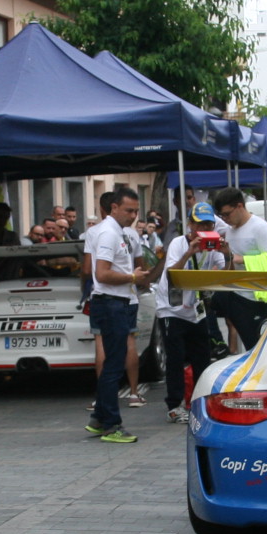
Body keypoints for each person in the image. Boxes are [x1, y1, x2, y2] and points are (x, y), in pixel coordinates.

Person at [85, 186, 152, 443]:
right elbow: (101, 273)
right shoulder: (108, 233)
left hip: (117, 301)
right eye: (128, 210)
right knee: (113, 366)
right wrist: (132, 277)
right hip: (111, 302)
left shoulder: (117, 232)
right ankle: (111, 425)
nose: (133, 216)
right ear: (113, 208)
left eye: (136, 211)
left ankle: (100, 418)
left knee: (113, 363)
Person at [156, 202, 227, 424]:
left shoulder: (213, 246)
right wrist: (189, 252)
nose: (204, 229)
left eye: (208, 224)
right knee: (175, 358)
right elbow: (171, 272)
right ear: (190, 225)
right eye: (199, 224)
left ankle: (199, 401)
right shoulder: (179, 243)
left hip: (197, 310)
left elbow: (225, 274)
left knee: (202, 356)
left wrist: (227, 253)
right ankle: (174, 405)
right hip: (172, 308)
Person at [209, 187, 267, 349]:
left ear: (239, 206)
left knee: (260, 346)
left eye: (227, 214)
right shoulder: (230, 231)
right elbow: (232, 264)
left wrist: (242, 259)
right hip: (238, 295)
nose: (225, 219)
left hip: (258, 297)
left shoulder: (259, 227)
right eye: (222, 216)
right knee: (250, 346)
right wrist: (227, 256)